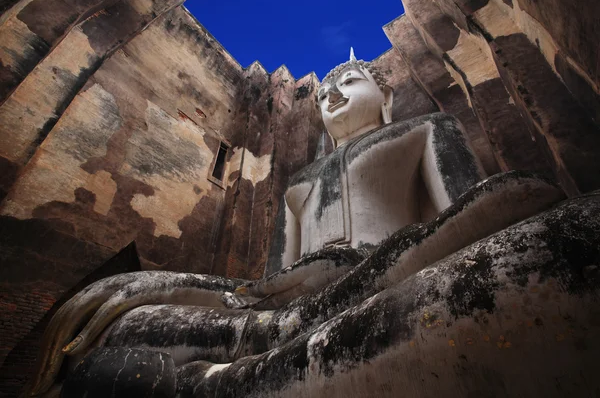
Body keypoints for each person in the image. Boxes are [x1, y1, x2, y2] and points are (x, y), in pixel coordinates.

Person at [29, 51, 570, 397]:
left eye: (350, 81)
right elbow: (263, 284)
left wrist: (373, 266)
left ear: (385, 97)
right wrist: (245, 298)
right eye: (327, 88)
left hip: (387, 282)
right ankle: (254, 366)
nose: (333, 93)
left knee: (547, 252)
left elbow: (492, 206)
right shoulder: (298, 181)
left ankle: (225, 383)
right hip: (280, 318)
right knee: (128, 311)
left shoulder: (425, 129)